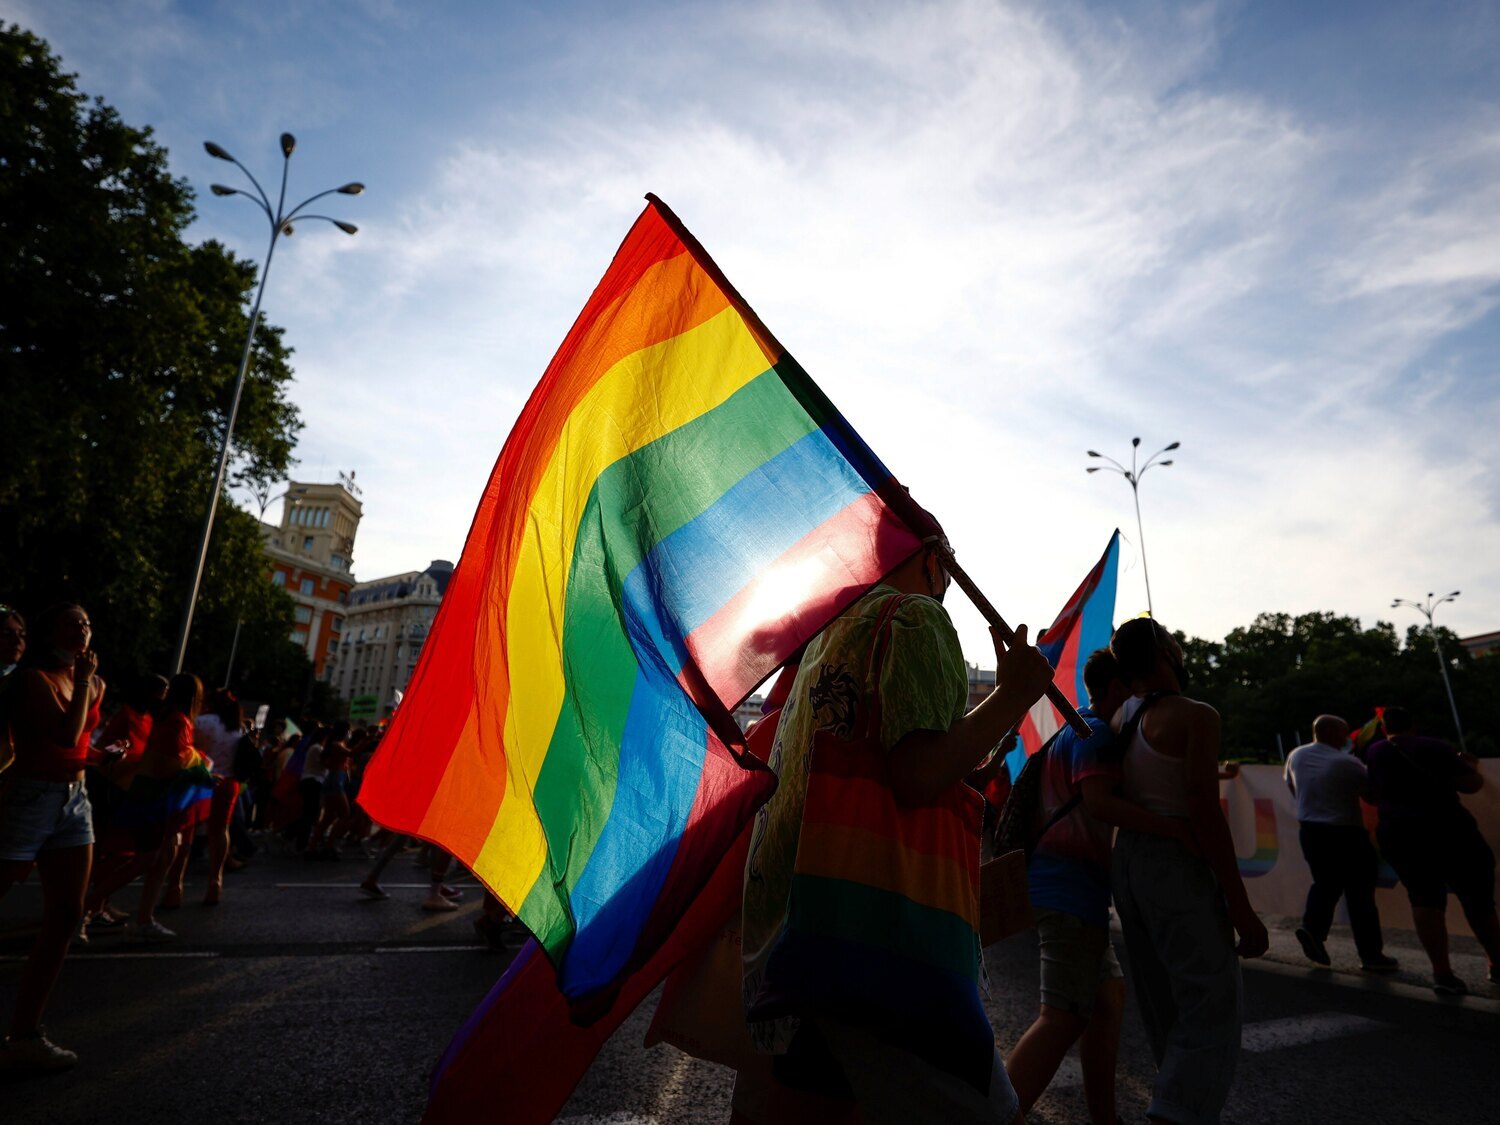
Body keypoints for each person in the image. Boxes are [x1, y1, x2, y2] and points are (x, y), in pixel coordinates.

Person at [741, 537, 1054, 1124]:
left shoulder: (830, 635)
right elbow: (917, 775)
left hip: (803, 924)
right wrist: (1015, 694)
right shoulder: (914, 618)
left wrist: (985, 744)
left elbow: (881, 763)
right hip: (881, 929)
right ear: (936, 562)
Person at [1006, 648, 1191, 1124]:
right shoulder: (1095, 735)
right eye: (1134, 689)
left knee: (1107, 1001)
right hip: (1068, 890)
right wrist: (1174, 828)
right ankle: (992, 1114)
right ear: (1118, 689)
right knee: (1062, 1015)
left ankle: (1105, 1118)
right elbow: (1101, 804)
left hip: (1066, 889)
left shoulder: (1073, 727)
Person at [1108, 617, 1268, 1125]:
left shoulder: (1121, 718)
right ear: (1163, 651)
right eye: (1172, 640)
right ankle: (1178, 1112)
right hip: (1175, 859)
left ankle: (1174, 1098)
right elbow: (1203, 810)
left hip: (1129, 861)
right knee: (1208, 1002)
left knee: (1163, 1002)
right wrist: (1241, 910)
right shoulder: (1197, 716)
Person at [0, 603, 107, 1072]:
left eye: (86, 622)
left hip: (74, 799)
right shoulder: (32, 680)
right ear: (51, 632)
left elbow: (80, 742)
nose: (82, 630)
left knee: (66, 915)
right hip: (29, 797)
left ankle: (24, 1034)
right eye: (71, 622)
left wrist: (103, 756)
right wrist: (83, 682)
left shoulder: (92, 681)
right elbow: (65, 734)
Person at [1364, 706, 1500, 995]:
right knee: (1478, 899)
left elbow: (1371, 794)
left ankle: (1442, 972)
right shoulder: (1434, 747)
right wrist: (1471, 768)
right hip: (1449, 829)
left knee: (1424, 899)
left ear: (1384, 728)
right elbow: (1471, 785)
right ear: (1414, 724)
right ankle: (1496, 963)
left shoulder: (1375, 752)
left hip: (1399, 834)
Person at [1283, 715, 1397, 973]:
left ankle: (1312, 928)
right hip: (1346, 832)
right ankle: (1371, 955)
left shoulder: (1296, 755)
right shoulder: (1346, 762)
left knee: (1325, 883)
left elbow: (1292, 787)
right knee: (1360, 895)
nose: (1347, 738)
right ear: (1334, 733)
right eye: (1344, 733)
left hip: (1310, 830)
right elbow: (1371, 795)